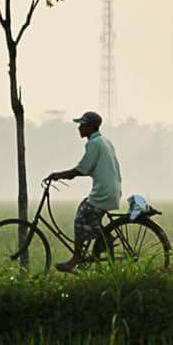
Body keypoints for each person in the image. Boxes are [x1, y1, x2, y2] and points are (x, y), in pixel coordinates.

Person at [46, 110, 122, 273]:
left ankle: (77, 257)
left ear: (91, 127)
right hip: (110, 189)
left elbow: (82, 169)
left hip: (103, 192)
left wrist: (59, 175)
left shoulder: (94, 143)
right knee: (87, 212)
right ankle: (103, 237)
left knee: (80, 218)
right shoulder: (104, 141)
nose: (80, 128)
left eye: (83, 125)